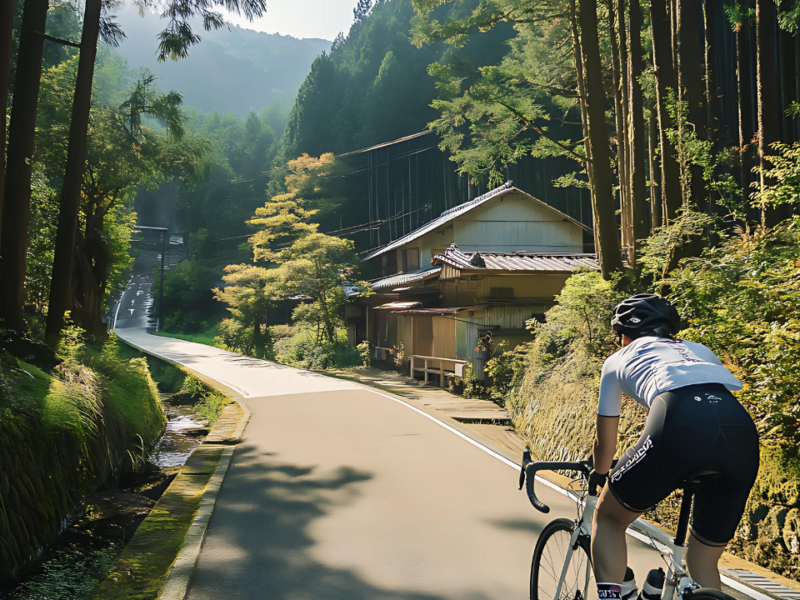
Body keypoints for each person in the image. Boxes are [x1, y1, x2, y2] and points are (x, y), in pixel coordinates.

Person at [589, 294, 760, 600]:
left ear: (624, 336)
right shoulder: (699, 350)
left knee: (609, 518)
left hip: (679, 422)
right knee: (703, 558)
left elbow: (605, 445)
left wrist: (598, 475)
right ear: (671, 331)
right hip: (741, 431)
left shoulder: (616, 360)